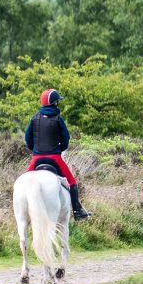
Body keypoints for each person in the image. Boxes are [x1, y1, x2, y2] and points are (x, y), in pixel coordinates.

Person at [24, 88, 91, 220]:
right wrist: (60, 148)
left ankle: (25, 213)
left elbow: (27, 139)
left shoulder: (34, 118)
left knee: (26, 184)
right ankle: (77, 212)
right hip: (55, 158)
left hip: (36, 158)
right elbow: (66, 139)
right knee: (72, 182)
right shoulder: (58, 119)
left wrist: (36, 150)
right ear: (55, 103)